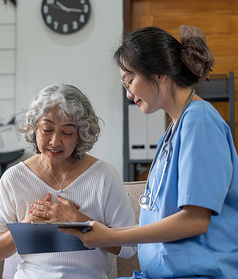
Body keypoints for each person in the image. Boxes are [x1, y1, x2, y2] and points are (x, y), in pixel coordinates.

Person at [61, 26, 238, 278]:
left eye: (129, 81)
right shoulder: (174, 130)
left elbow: (195, 220)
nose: (128, 93)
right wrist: (99, 233)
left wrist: (110, 235)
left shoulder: (200, 121)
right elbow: (158, 220)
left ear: (159, 73)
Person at [0, 84, 137, 279]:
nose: (55, 141)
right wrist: (28, 224)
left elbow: (129, 248)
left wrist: (80, 222)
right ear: (34, 129)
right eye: (47, 129)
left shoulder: (104, 175)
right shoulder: (15, 178)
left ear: (81, 134)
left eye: (67, 133)